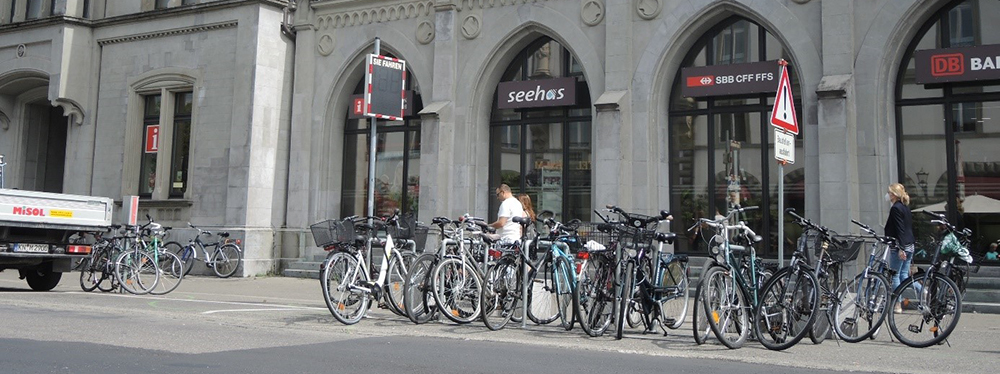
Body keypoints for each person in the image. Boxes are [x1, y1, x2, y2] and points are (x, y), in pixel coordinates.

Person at [884, 183, 915, 313]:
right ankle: (922, 291)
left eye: (890, 193)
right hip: (910, 244)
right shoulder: (905, 207)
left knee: (895, 275)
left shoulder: (896, 208)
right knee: (904, 275)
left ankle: (897, 304)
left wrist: (900, 248)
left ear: (894, 195)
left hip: (899, 245)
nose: (888, 195)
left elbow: (899, 229)